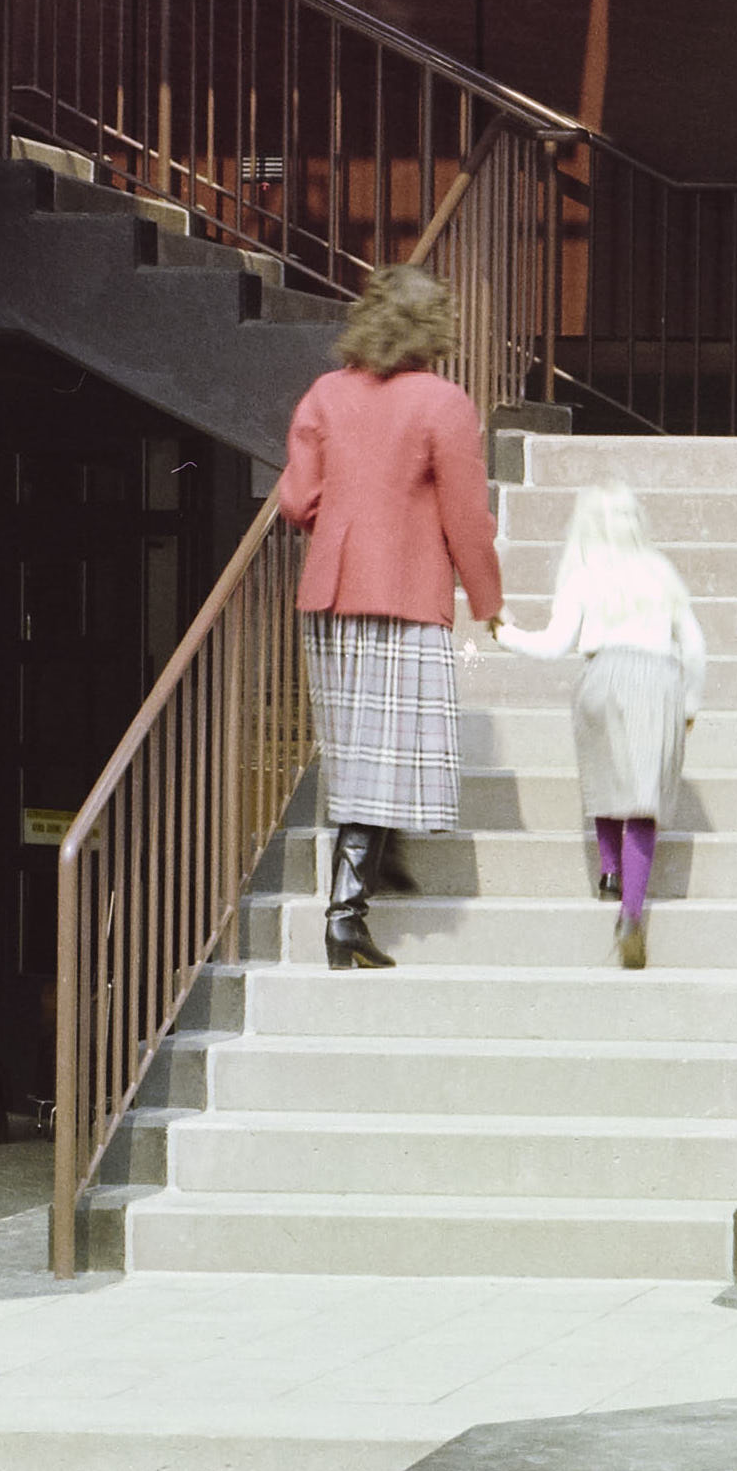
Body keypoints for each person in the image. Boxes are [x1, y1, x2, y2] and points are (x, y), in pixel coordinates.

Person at [273, 264, 505, 968]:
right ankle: (345, 917)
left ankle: (384, 857)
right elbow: (467, 516)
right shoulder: (443, 402)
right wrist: (488, 599)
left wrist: (344, 520)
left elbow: (296, 500)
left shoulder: (325, 394)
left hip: (334, 590)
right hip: (404, 591)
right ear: (432, 329)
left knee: (358, 744)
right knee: (385, 744)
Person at [511, 478, 707, 970]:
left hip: (602, 674)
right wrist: (689, 704)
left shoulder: (582, 574)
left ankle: (608, 869)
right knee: (643, 797)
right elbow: (695, 645)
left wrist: (505, 633)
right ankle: (631, 915)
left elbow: (555, 644)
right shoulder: (660, 571)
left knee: (604, 770)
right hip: (658, 675)